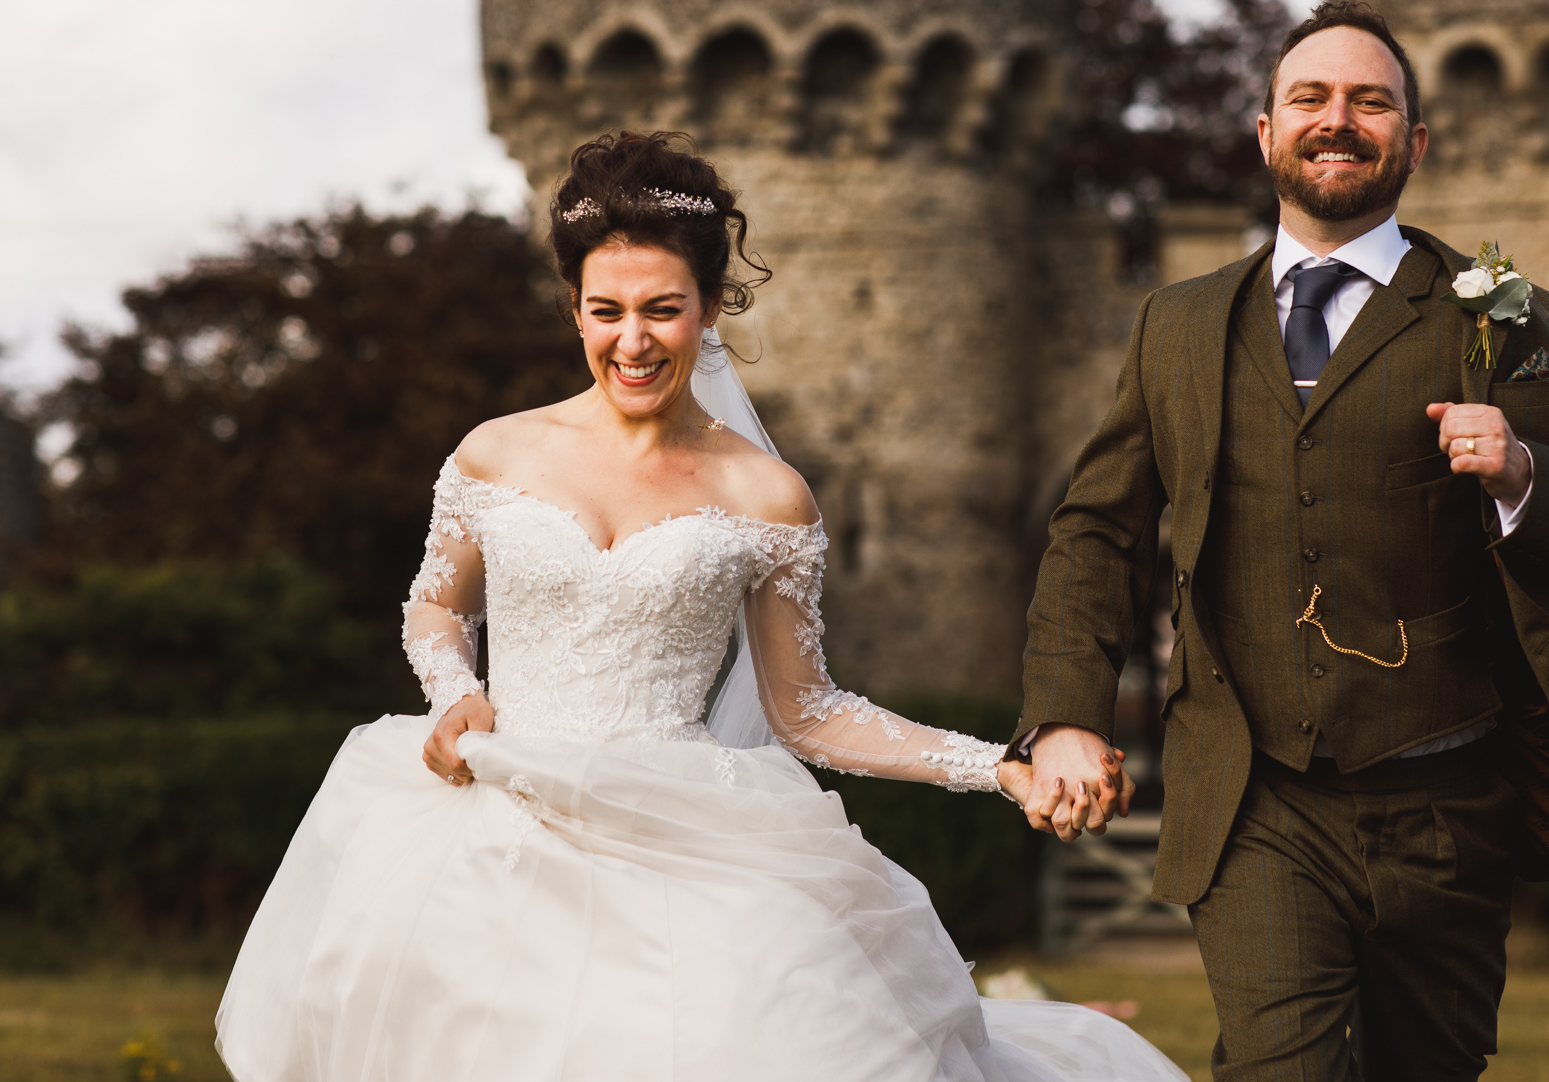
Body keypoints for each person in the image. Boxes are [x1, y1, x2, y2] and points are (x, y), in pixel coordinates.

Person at [214, 130, 1179, 1082]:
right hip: (489, 826)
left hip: (681, 841)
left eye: (663, 310)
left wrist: (997, 768)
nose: (632, 341)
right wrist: (455, 688)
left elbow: (808, 711)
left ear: (710, 307)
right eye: (606, 310)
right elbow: (434, 606)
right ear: (575, 309)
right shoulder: (493, 454)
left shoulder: (768, 496)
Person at [1010, 1, 1549, 1080]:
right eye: (1310, 98)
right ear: (1266, 132)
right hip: (1253, 801)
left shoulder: (1509, 319)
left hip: (1447, 806)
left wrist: (1524, 472)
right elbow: (1097, 530)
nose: (1338, 120)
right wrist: (1062, 715)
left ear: (1413, 142)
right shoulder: (1175, 325)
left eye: (1370, 102)